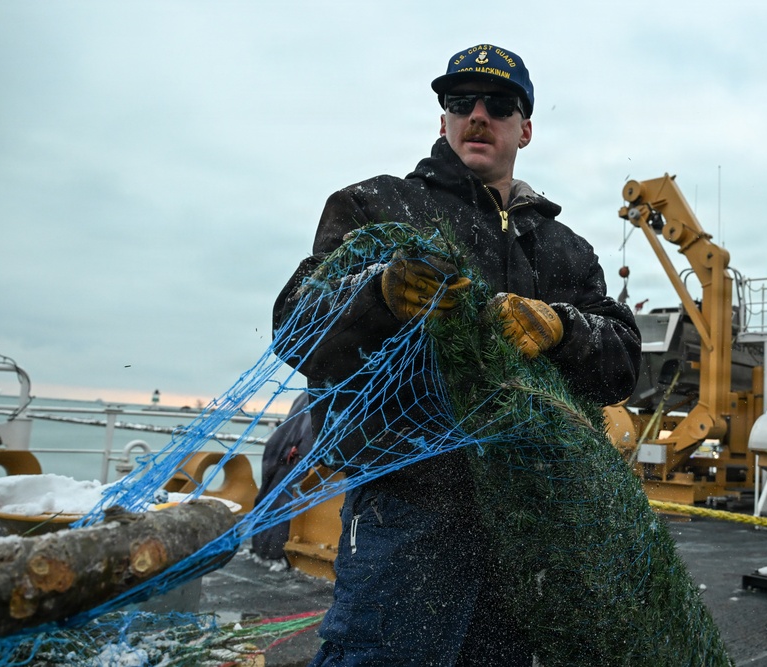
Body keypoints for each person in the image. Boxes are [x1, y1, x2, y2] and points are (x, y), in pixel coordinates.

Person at [272, 44, 642, 665]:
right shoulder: (375, 206)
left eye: (499, 105)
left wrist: (562, 328)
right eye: (459, 102)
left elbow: (624, 362)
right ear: (441, 119)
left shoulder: (564, 249)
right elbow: (295, 328)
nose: (478, 115)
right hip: (408, 512)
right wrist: (379, 292)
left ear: (524, 128)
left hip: (530, 528)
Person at [251, 392, 314, 561]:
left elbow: (275, 444)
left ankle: (266, 549)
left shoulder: (305, 396)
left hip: (289, 461)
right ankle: (274, 551)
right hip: (301, 462)